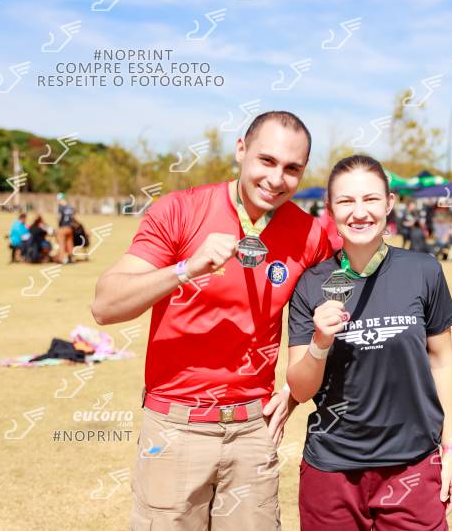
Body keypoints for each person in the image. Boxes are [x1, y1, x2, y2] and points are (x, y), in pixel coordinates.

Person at [91, 111, 333, 531]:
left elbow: (325, 324)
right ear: (241, 150)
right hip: (175, 426)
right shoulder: (180, 210)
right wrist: (186, 268)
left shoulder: (309, 235)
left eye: (292, 168)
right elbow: (105, 305)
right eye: (266, 160)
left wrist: (292, 395)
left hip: (253, 431)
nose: (276, 179)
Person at [286, 155, 452, 530]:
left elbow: (442, 362)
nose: (360, 212)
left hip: (413, 466)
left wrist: (449, 450)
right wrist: (319, 343)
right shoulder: (310, 283)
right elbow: (299, 390)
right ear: (330, 209)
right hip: (332, 471)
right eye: (346, 201)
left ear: (389, 203)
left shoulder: (423, 270)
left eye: (371, 199)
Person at [55, 193, 76, 264]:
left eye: (58, 200)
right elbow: (73, 218)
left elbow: (58, 217)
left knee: (61, 244)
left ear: (60, 199)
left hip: (62, 228)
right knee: (70, 244)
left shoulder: (60, 207)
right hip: (70, 228)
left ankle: (61, 259)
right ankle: (72, 258)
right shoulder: (70, 208)